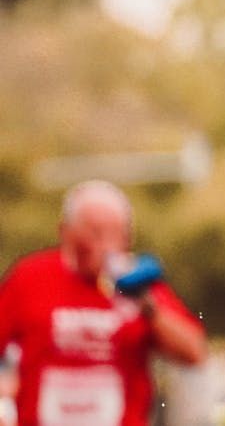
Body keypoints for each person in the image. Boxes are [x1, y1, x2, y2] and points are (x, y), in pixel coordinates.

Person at [0, 180, 206, 426]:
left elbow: (194, 352)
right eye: (94, 232)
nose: (104, 243)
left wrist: (149, 309)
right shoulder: (30, 277)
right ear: (66, 231)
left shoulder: (139, 285)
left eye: (115, 233)